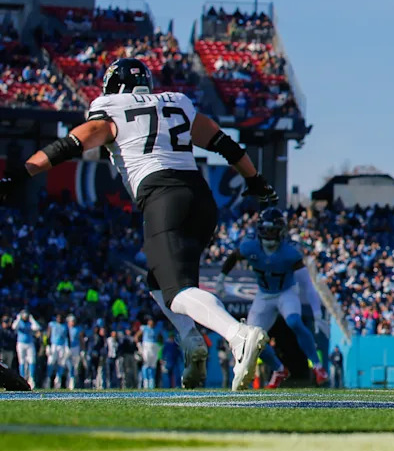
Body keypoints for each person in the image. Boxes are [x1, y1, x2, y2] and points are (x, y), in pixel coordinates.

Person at [0, 58, 278, 391]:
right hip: (201, 198)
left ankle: (238, 335)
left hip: (163, 196)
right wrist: (256, 181)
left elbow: (68, 145)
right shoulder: (175, 103)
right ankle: (191, 342)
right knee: (159, 280)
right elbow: (225, 145)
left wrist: (17, 174)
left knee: (177, 293)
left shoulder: (111, 109)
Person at [218, 207, 328, 388]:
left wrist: (316, 313)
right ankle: (278, 369)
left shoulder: (290, 252)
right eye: (266, 230)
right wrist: (222, 278)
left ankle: (317, 366)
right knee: (252, 338)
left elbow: (306, 285)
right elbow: (233, 257)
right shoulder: (250, 246)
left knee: (294, 322)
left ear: (280, 231)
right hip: (264, 295)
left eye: (272, 230)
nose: (269, 235)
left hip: (286, 292)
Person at [46, 314, 67, 388]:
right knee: (51, 362)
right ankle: (48, 380)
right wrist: (48, 345)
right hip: (53, 345)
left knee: (61, 363)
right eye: (58, 318)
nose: (59, 319)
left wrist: (67, 347)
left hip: (62, 346)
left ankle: (58, 381)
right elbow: (48, 335)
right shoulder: (52, 324)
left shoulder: (65, 326)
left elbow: (67, 337)